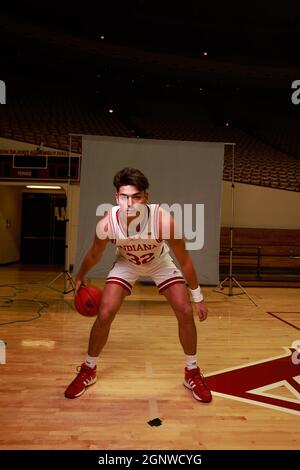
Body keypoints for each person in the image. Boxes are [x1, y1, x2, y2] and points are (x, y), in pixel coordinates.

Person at [65, 167, 212, 403]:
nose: (129, 203)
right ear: (116, 198)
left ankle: (191, 371)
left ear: (146, 198)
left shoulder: (164, 220)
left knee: (185, 311)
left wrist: (198, 297)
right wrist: (80, 275)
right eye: (124, 197)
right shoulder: (107, 224)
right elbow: (94, 254)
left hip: (159, 262)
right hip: (127, 263)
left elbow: (184, 260)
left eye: (136, 197)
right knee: (105, 312)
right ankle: (89, 369)